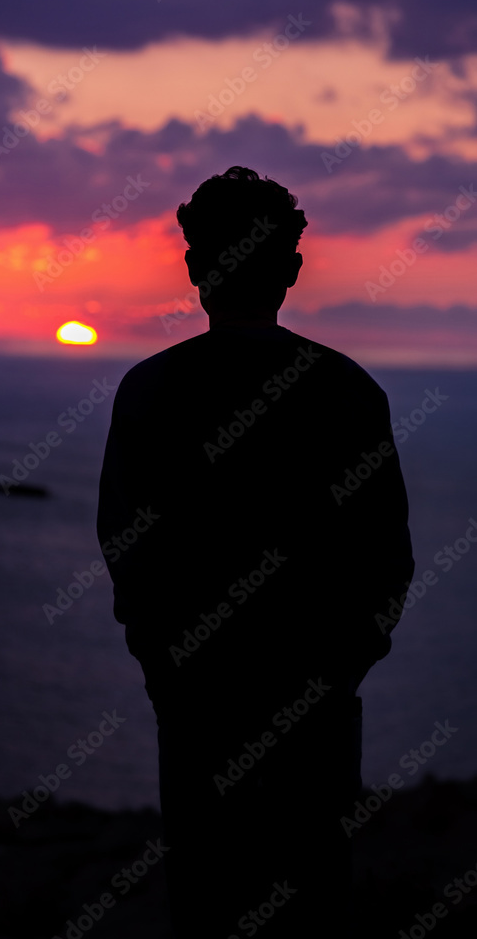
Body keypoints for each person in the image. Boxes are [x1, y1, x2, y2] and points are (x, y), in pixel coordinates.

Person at [96, 165, 415, 937]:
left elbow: (127, 548)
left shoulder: (150, 390)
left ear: (194, 267)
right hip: (314, 707)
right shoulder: (346, 390)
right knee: (310, 906)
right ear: (293, 269)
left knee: (207, 899)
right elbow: (386, 558)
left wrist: (167, 666)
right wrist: (338, 669)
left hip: (198, 703)